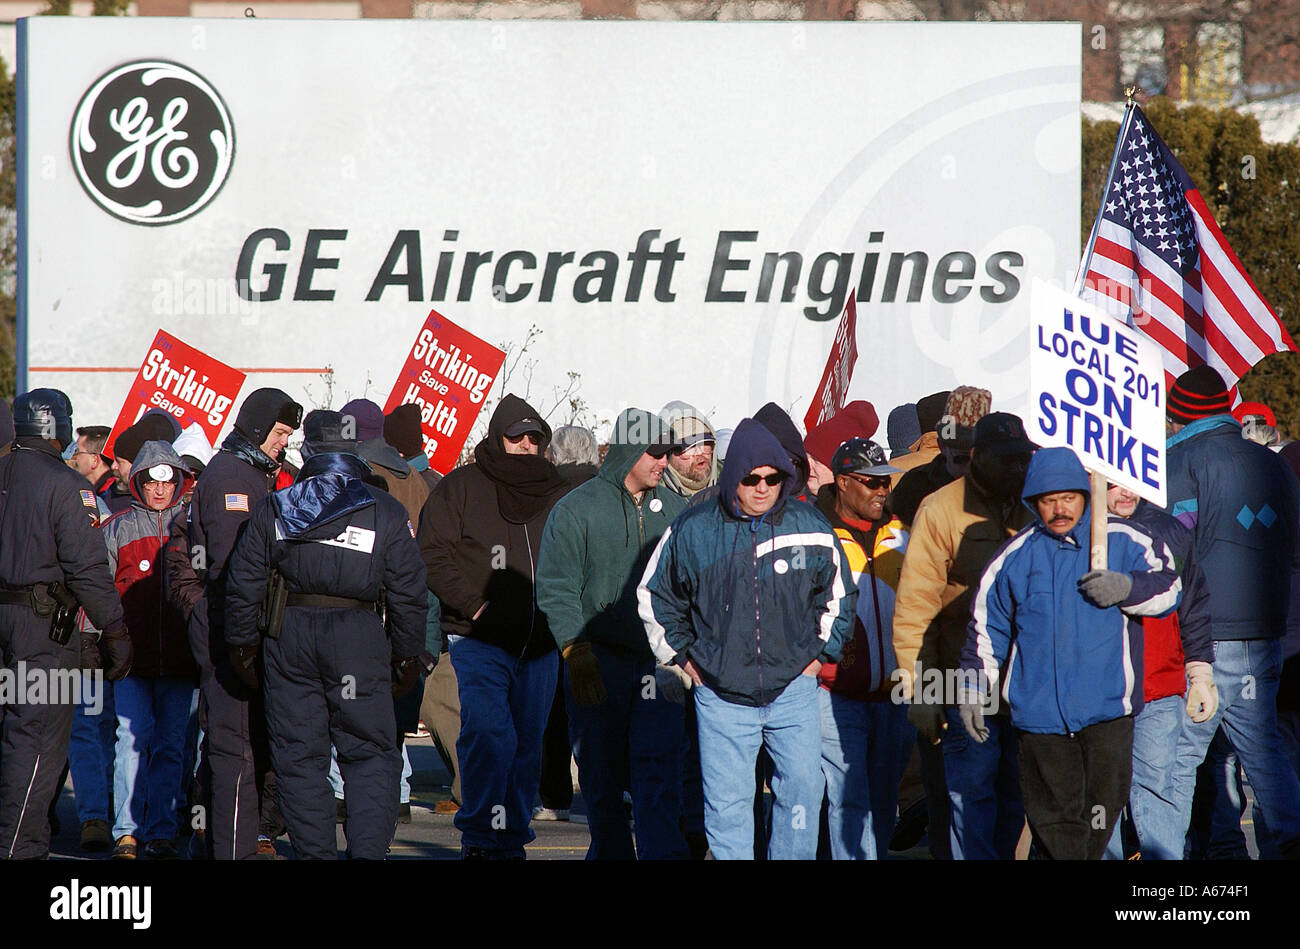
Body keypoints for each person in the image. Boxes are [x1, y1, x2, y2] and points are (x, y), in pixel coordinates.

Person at [639, 417, 856, 860]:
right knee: (728, 809)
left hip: (793, 691)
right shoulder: (694, 528)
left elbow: (839, 593)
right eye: (751, 478)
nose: (762, 488)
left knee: (801, 794)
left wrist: (820, 655)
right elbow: (655, 594)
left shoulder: (810, 525)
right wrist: (682, 658)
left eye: (773, 478)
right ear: (733, 473)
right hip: (720, 696)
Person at [958, 446, 1182, 859]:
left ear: (1084, 494)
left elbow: (1170, 586)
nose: (1059, 508)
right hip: (1040, 722)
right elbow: (984, 628)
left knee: (1098, 817)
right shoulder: (1014, 557)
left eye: (1068, 497)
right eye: (1048, 499)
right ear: (1033, 502)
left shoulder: (1122, 537)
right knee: (1057, 826)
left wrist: (1126, 587)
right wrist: (973, 688)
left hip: (1107, 713)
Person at [224, 451, 427, 859]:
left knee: (299, 755)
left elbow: (243, 584)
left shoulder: (276, 506)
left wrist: (244, 648)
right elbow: (409, 592)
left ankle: (315, 854)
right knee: (369, 751)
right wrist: (406, 658)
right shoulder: (385, 510)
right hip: (358, 637)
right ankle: (368, 851)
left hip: (290, 635)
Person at [1144, 366, 1300, 860]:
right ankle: (1284, 841)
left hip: (1203, 636)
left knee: (1179, 759)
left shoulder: (1176, 462)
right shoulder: (1273, 465)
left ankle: (1165, 861)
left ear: (1180, 414)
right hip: (1265, 631)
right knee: (1262, 751)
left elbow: (1168, 550)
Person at [418, 394, 568, 859]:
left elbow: (576, 558)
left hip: (540, 642)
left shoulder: (558, 491)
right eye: (516, 436)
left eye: (534, 437)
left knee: (527, 743)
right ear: (497, 438)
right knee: (487, 734)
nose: (525, 445)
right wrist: (475, 606)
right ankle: (481, 838)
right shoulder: (460, 487)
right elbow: (432, 553)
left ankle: (511, 836)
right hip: (478, 638)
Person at [535, 408, 689, 860]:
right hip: (596, 661)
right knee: (600, 780)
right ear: (626, 452)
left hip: (659, 665)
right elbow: (557, 588)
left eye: (667, 452)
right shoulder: (576, 509)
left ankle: (663, 855)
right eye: (654, 452)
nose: (664, 461)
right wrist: (574, 649)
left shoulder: (677, 511)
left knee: (658, 774)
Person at [892, 412, 1034, 860]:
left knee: (1016, 800)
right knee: (969, 800)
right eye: (1007, 460)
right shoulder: (940, 509)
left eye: (1022, 459)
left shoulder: (1036, 503)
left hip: (1025, 686)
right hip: (962, 682)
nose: (1017, 468)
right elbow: (917, 607)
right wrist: (921, 693)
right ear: (979, 457)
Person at [0, 389, 133, 860]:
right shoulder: (66, 485)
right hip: (43, 630)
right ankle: (20, 849)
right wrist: (114, 631)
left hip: (14, 621)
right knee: (34, 744)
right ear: (57, 428)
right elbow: (88, 570)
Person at [186, 387, 301, 859]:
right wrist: (244, 642)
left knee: (238, 745)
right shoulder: (234, 477)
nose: (284, 443)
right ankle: (233, 851)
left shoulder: (251, 473)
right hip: (231, 631)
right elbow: (235, 569)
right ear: (256, 428)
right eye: (279, 433)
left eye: (289, 435)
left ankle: (214, 845)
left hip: (241, 629)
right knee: (237, 753)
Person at [1101, 483, 1216, 860]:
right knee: (1102, 797)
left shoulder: (1169, 531)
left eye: (1131, 482)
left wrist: (1199, 673)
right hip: (1099, 693)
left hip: (1159, 687)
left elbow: (1194, 603)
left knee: (1156, 789)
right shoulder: (1079, 533)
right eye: (1112, 483)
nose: (1124, 493)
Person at [101, 441, 198, 859]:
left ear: (178, 481)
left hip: (181, 658)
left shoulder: (194, 526)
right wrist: (102, 642)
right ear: (138, 480)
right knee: (129, 741)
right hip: (131, 659)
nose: (160, 489)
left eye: (168, 479)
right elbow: (99, 590)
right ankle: (126, 830)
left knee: (172, 745)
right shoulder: (117, 527)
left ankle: (161, 829)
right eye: (151, 479)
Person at [814, 438, 909, 859]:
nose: (882, 490)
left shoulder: (902, 534)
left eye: (885, 481)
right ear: (843, 482)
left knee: (883, 801)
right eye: (871, 482)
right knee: (848, 799)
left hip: (897, 697)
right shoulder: (815, 535)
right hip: (835, 694)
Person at [535, 425, 601, 821]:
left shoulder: (543, 495)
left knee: (554, 713)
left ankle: (554, 797)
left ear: (553, 456)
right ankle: (612, 790)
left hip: (555, 617)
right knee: (603, 710)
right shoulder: (610, 495)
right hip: (599, 616)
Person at [889, 386, 989, 527]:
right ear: (943, 446)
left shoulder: (1000, 485)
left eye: (976, 457)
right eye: (961, 458)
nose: (968, 468)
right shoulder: (913, 485)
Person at [659, 401, 720, 499]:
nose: (699, 452)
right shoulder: (652, 498)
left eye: (705, 442)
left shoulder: (737, 483)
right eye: (689, 446)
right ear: (666, 454)